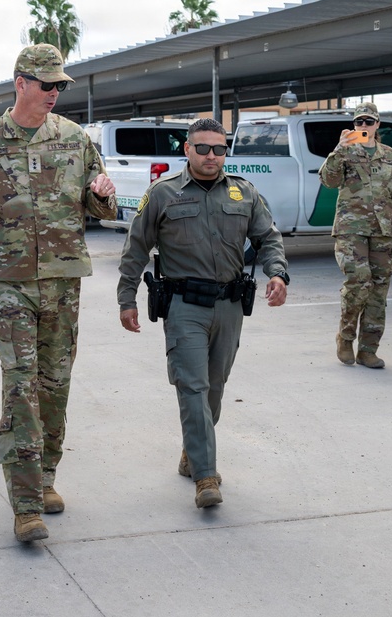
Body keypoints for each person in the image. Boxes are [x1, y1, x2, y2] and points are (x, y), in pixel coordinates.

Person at [0, 43, 117, 543]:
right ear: (21, 84)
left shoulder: (75, 139)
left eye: (59, 86)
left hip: (63, 283)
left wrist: (103, 196)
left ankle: (47, 476)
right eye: (46, 84)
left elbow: (102, 208)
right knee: (20, 388)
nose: (54, 93)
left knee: (55, 386)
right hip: (10, 284)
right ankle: (26, 503)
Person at [117, 118, 289, 509]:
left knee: (214, 387)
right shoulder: (163, 193)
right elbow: (136, 248)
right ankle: (205, 475)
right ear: (187, 150)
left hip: (230, 306)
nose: (211, 156)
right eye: (203, 148)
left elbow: (268, 237)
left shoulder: (244, 192)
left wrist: (278, 273)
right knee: (192, 387)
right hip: (184, 307)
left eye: (219, 149)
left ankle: (192, 451)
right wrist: (126, 298)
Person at [318, 102, 392, 369]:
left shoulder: (389, 154)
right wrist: (339, 149)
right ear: (353, 125)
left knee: (379, 290)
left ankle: (368, 350)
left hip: (383, 230)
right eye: (359, 122)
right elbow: (328, 180)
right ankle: (345, 337)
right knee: (359, 282)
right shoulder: (345, 151)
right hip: (352, 229)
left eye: (368, 122)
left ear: (377, 124)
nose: (363, 126)